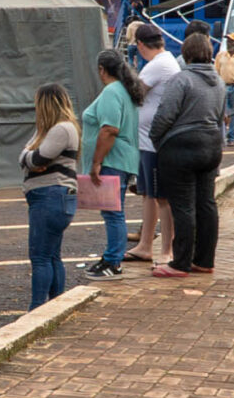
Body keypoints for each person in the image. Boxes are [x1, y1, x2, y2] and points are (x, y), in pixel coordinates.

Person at [150, 33, 227, 276]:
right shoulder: (220, 81)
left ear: (186, 54)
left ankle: (180, 262)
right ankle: (204, 261)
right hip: (211, 145)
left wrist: (156, 139)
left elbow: (165, 115)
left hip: (182, 147)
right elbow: (221, 117)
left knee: (183, 206)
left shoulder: (181, 79)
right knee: (206, 203)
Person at [79, 47, 144, 281]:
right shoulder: (123, 90)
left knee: (113, 213)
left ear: (101, 69)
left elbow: (109, 129)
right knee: (113, 212)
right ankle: (111, 257)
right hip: (122, 160)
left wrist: (96, 162)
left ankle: (113, 262)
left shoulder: (111, 92)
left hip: (113, 160)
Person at [20, 81, 82, 307]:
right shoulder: (53, 129)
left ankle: (37, 310)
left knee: (40, 257)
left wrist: (28, 156)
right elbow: (30, 155)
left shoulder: (60, 129)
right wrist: (29, 156)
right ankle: (55, 305)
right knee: (52, 255)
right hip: (54, 196)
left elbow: (36, 159)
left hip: (50, 196)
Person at [131, 24, 184, 267]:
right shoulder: (165, 61)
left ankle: (166, 249)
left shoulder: (158, 65)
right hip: (147, 140)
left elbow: (133, 93)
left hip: (154, 143)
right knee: (149, 195)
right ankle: (145, 245)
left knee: (161, 197)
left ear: (141, 45)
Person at [215, 34, 234, 142]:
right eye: (227, 41)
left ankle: (231, 137)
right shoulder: (220, 56)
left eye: (231, 41)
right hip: (223, 86)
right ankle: (221, 136)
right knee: (222, 112)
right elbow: (216, 71)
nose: (229, 44)